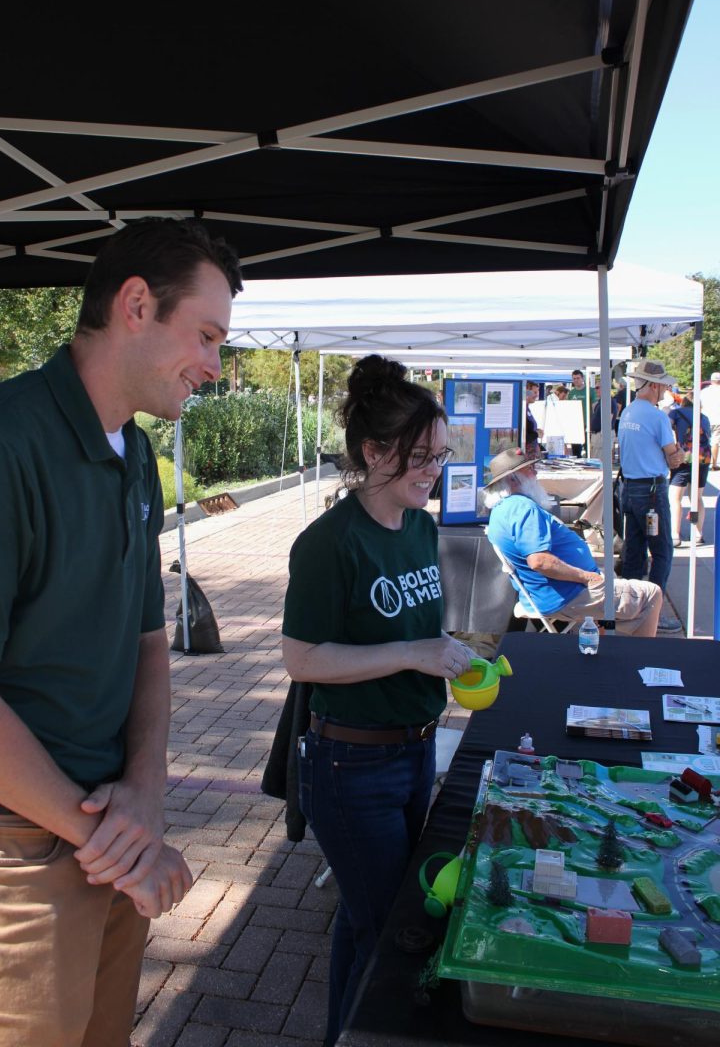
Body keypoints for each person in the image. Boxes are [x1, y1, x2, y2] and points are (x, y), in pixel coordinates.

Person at [0, 218, 242, 1046]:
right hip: (9, 856)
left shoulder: (132, 452)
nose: (214, 364)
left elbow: (147, 645)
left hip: (104, 838)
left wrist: (144, 788)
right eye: (205, 335)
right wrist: (113, 832)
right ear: (136, 304)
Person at [281, 355, 474, 1047]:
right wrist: (415, 655)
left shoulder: (421, 529)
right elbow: (301, 659)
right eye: (420, 456)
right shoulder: (329, 545)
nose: (434, 470)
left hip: (413, 751)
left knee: (368, 919)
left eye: (442, 456)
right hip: (349, 768)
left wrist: (453, 651)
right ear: (374, 451)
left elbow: (420, 631)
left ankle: (341, 1033)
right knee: (388, 925)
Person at [483, 448, 662, 636]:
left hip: (552, 594)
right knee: (651, 594)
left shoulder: (501, 510)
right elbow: (539, 561)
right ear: (513, 478)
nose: (535, 472)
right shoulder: (523, 509)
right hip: (567, 595)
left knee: (615, 589)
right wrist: (586, 577)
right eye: (529, 469)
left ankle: (605, 653)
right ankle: (641, 661)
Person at [617, 358, 684, 634]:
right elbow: (674, 457)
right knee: (662, 551)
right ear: (655, 386)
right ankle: (651, 613)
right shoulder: (657, 416)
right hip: (651, 491)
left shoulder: (628, 412)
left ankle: (630, 609)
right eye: (663, 387)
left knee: (634, 550)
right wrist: (676, 454)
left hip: (630, 488)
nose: (665, 392)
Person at [668, 392, 712, 546]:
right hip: (704, 458)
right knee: (697, 497)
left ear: (684, 402)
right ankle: (698, 533)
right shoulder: (703, 417)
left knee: (675, 498)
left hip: (685, 457)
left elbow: (665, 427)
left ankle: (675, 534)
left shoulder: (676, 412)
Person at [589, 374, 619, 458]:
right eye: (596, 388)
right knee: (596, 460)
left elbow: (608, 420)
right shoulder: (601, 402)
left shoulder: (608, 401)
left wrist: (603, 437)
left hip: (602, 436)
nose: (596, 390)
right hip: (598, 436)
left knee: (599, 462)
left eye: (598, 387)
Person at [567, 368, 595, 457]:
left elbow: (595, 406)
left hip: (587, 424)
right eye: (574, 378)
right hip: (575, 425)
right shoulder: (571, 393)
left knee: (588, 449)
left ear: (582, 378)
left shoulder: (590, 391)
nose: (576, 380)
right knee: (576, 451)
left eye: (578, 378)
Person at [699, 371, 720, 470]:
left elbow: (699, 405)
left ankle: (703, 461)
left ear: (711, 381)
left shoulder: (704, 392)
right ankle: (714, 464)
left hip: (705, 419)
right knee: (715, 441)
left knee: (704, 440)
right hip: (718, 419)